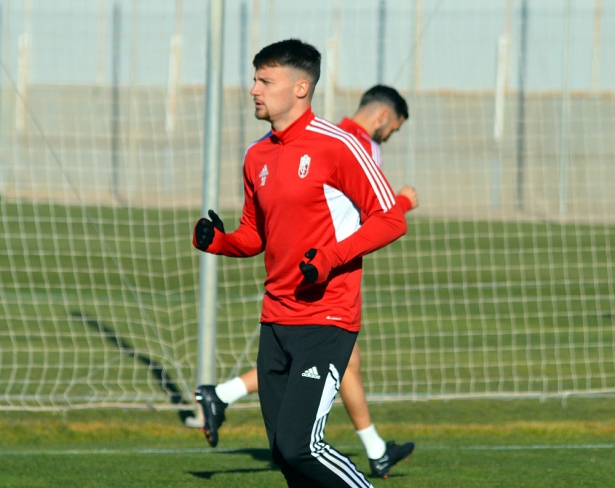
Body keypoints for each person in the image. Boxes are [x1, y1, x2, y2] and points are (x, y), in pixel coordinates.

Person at [193, 39, 407, 488]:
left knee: (300, 446)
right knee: (283, 455)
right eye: (254, 79)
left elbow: (389, 219)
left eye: (265, 80)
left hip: (327, 318)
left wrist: (330, 257)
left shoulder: (340, 145)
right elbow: (254, 236)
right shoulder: (257, 155)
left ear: (300, 87)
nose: (253, 89)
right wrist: (220, 242)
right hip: (275, 319)